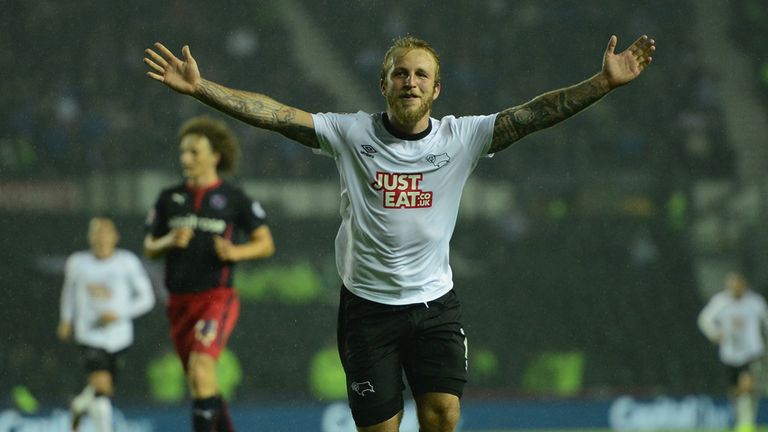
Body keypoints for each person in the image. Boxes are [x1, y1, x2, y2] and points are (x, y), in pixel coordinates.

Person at [144, 33, 655, 432]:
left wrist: (601, 84)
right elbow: (276, 114)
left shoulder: (464, 136)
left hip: (435, 304)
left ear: (437, 89)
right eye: (400, 73)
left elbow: (536, 114)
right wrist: (202, 88)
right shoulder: (350, 134)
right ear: (383, 84)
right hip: (367, 310)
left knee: (443, 417)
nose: (410, 81)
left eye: (421, 75)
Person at [143, 115, 275, 432]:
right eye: (183, 152)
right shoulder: (169, 198)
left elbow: (266, 243)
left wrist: (235, 252)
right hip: (178, 303)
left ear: (215, 156)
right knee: (201, 382)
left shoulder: (233, 198)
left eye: (194, 152)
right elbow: (149, 246)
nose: (185, 158)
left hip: (216, 298)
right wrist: (168, 240)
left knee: (202, 368)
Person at [57, 217, 155, 432]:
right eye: (96, 233)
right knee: (101, 386)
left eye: (105, 232)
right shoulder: (77, 262)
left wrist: (119, 314)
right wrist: (66, 320)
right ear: (89, 237)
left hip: (119, 337)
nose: (101, 238)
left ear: (115, 237)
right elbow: (69, 294)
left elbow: (147, 298)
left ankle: (79, 404)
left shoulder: (127, 262)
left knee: (103, 390)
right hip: (89, 335)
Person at [698, 272, 768, 432]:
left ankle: (746, 424)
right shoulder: (720, 302)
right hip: (729, 354)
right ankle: (741, 419)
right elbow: (704, 319)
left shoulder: (755, 302)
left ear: (744, 285)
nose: (736, 289)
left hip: (752, 352)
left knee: (748, 386)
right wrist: (714, 333)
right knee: (735, 392)